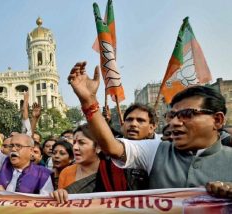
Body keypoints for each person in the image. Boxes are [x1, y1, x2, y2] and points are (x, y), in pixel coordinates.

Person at [67, 61, 232, 189]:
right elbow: (112, 147)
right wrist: (88, 101)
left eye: (187, 114)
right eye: (172, 115)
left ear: (217, 120)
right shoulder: (156, 150)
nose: (174, 122)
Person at [0, 87, 53, 195]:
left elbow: (45, 205)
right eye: (11, 146)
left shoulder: (43, 174)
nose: (14, 149)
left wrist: (7, 195)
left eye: (18, 146)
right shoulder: (2, 163)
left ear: (31, 151)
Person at [51, 124, 101, 203]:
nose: (75, 147)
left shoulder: (111, 173)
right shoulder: (66, 172)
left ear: (98, 147)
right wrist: (59, 194)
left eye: (81, 143)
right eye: (74, 142)